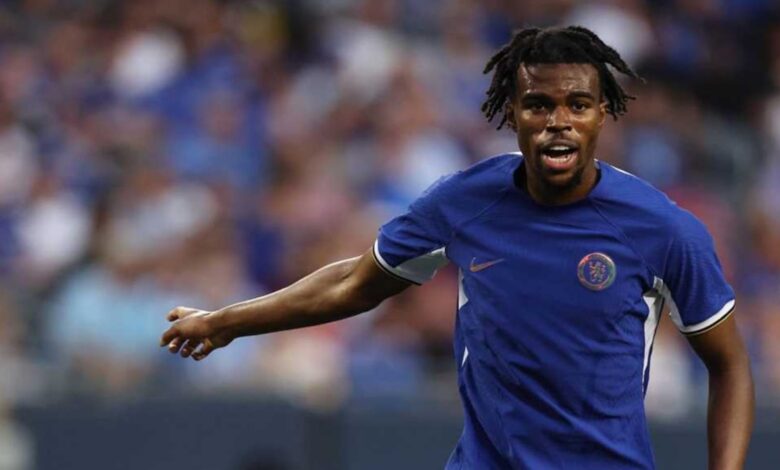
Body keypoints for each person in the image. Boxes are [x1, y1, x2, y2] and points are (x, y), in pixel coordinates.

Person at [160, 26, 754, 469]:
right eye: (538, 104)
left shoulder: (662, 229)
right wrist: (226, 322)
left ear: (603, 114)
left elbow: (729, 366)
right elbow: (355, 283)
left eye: (577, 105)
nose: (558, 121)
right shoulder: (465, 202)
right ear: (511, 113)